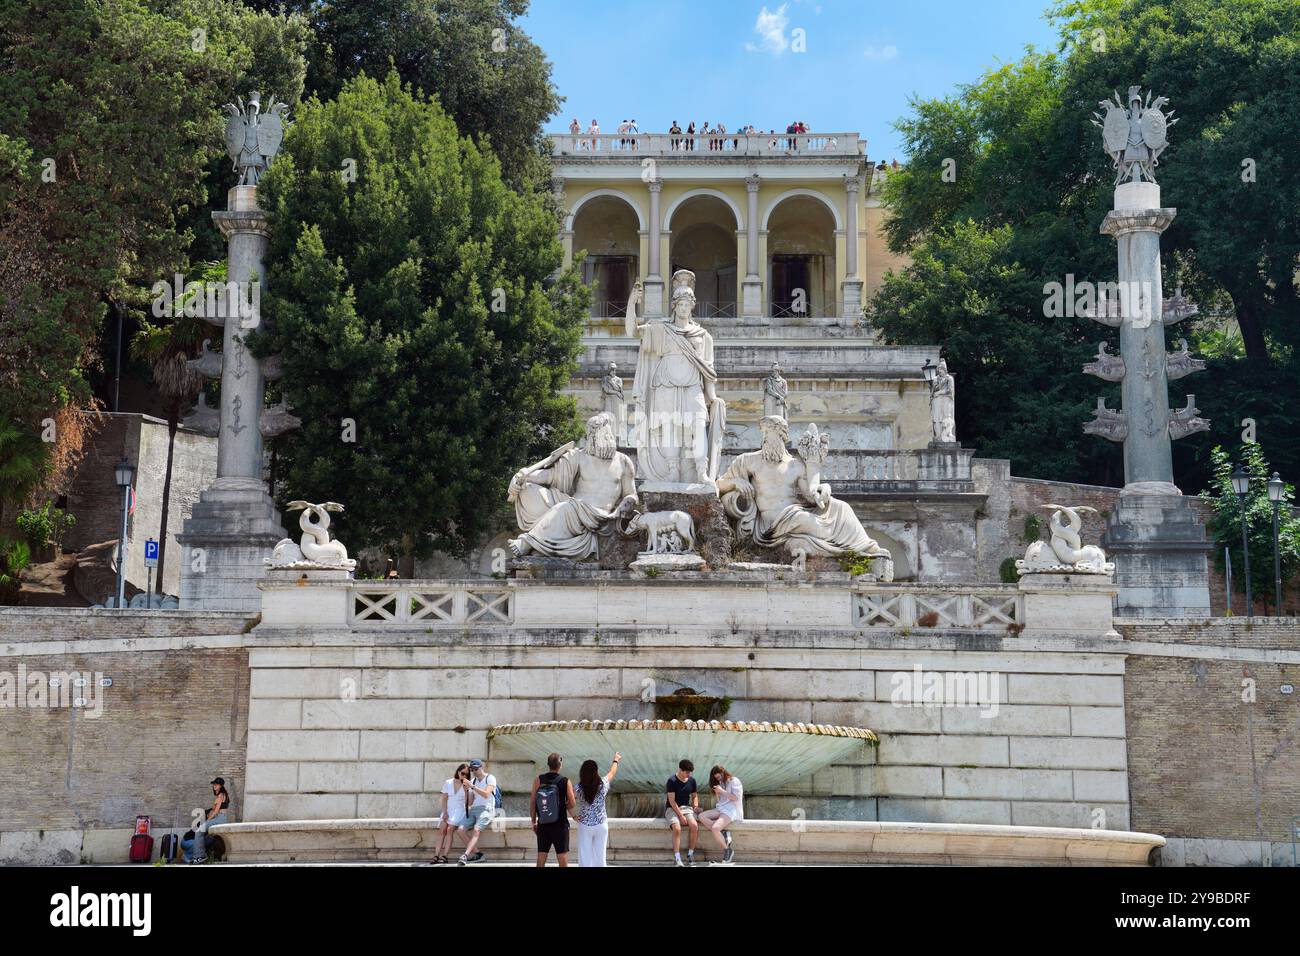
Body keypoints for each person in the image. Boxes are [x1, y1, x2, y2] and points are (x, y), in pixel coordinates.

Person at [573, 752, 620, 866]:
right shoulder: (603, 784)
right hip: (601, 824)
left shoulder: (578, 788)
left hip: (585, 825)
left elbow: (567, 802)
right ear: (596, 772)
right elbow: (612, 772)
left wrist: (573, 815)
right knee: (600, 857)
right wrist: (616, 760)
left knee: (585, 858)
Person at [530, 752, 576, 867]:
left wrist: (534, 821)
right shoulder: (565, 781)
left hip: (543, 824)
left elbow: (533, 803)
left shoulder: (538, 780)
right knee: (562, 858)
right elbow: (573, 803)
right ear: (560, 765)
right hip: (560, 825)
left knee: (541, 856)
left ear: (548, 764)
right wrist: (564, 805)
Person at [699, 765, 742, 865]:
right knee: (701, 816)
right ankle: (723, 834)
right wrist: (718, 794)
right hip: (722, 808)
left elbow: (735, 798)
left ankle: (728, 850)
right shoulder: (720, 783)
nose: (718, 779)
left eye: (719, 777)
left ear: (723, 772)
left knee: (715, 828)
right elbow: (722, 801)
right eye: (716, 778)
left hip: (732, 810)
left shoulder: (734, 781)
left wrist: (722, 791)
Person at [182, 777, 230, 864]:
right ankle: (199, 855)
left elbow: (215, 811)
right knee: (201, 832)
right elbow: (214, 809)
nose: (214, 786)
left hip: (219, 818)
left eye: (216, 784)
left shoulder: (221, 795)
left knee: (199, 830)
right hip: (220, 817)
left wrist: (207, 820)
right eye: (213, 784)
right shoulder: (222, 795)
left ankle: (200, 856)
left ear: (221, 786)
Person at [457, 759, 497, 865]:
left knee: (476, 829)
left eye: (476, 768)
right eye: (472, 769)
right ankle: (479, 854)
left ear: (481, 767)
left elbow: (486, 794)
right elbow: (470, 800)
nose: (474, 771)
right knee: (460, 830)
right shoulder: (473, 781)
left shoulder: (490, 778)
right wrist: (466, 790)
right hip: (474, 809)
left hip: (486, 809)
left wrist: (473, 787)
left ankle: (465, 855)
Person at [432, 763, 471, 864]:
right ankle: (436, 855)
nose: (464, 775)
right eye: (462, 773)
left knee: (449, 830)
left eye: (466, 774)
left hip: (459, 811)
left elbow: (468, 802)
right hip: (448, 810)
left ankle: (444, 856)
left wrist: (467, 789)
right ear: (458, 771)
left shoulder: (467, 785)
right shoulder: (448, 782)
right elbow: (444, 798)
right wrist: (445, 812)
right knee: (442, 831)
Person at [665, 758, 700, 866]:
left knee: (694, 826)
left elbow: (694, 796)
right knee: (677, 828)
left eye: (690, 772)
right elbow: (671, 801)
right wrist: (680, 816)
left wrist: (695, 806)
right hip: (672, 808)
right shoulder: (672, 780)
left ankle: (690, 854)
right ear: (680, 769)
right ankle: (677, 858)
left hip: (686, 808)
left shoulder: (692, 780)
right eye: (687, 772)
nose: (688, 774)